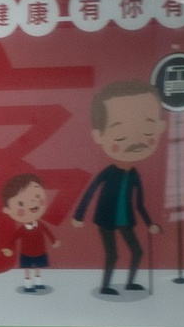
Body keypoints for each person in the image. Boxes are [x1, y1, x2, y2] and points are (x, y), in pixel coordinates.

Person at [69, 81, 165, 297]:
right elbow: (90, 192)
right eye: (120, 137)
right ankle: (105, 286)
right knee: (112, 254)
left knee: (137, 251)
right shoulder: (108, 172)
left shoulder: (134, 174)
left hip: (125, 220)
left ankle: (130, 283)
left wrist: (150, 224)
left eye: (147, 131)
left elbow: (139, 203)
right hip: (105, 219)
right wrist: (78, 215)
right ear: (99, 136)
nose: (132, 142)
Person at [0, 172, 55, 293]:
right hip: (26, 253)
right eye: (21, 203)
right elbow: (14, 238)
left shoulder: (40, 225)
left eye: (37, 197)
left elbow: (48, 233)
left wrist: (54, 241)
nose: (33, 203)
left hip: (40, 251)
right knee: (27, 269)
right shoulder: (22, 229)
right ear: (7, 210)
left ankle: (38, 284)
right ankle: (28, 286)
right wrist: (8, 248)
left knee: (38, 268)